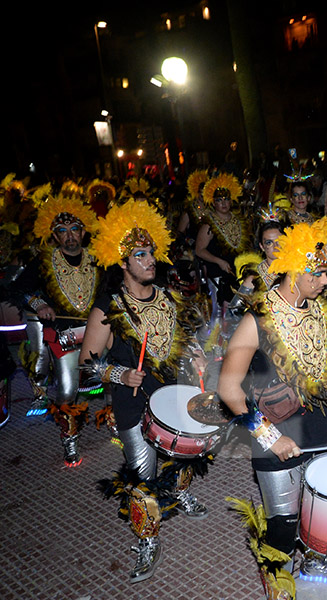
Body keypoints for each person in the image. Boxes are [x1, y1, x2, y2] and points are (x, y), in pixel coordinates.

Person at [217, 210, 327, 600]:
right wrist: (268, 436)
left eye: (326, 273)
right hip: (272, 426)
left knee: (320, 503)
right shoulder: (257, 319)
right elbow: (229, 389)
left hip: (319, 422)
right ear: (293, 271)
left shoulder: (321, 307)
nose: (325, 282)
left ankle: (314, 557)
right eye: (317, 274)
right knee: (283, 518)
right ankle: (275, 572)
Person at [79, 199, 209, 583]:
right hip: (134, 408)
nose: (150, 260)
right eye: (140, 255)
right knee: (141, 477)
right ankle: (148, 540)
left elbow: (183, 339)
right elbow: (87, 366)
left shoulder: (168, 297)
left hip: (175, 395)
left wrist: (197, 354)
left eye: (151, 252)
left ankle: (181, 494)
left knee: (186, 454)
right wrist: (120, 375)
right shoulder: (108, 307)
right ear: (123, 263)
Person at [18, 191, 101, 465]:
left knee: (112, 381)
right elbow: (19, 288)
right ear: (54, 236)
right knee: (67, 390)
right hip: (65, 335)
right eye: (62, 231)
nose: (69, 236)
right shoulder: (44, 260)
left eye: (74, 229)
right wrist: (40, 303)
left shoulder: (99, 258)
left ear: (84, 231)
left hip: (99, 332)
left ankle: (115, 424)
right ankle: (70, 440)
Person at [194, 173, 253, 306]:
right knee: (219, 310)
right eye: (219, 200)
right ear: (213, 203)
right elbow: (199, 250)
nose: (223, 203)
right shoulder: (208, 224)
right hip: (217, 274)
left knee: (240, 307)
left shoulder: (239, 220)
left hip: (237, 273)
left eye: (226, 199)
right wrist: (219, 261)